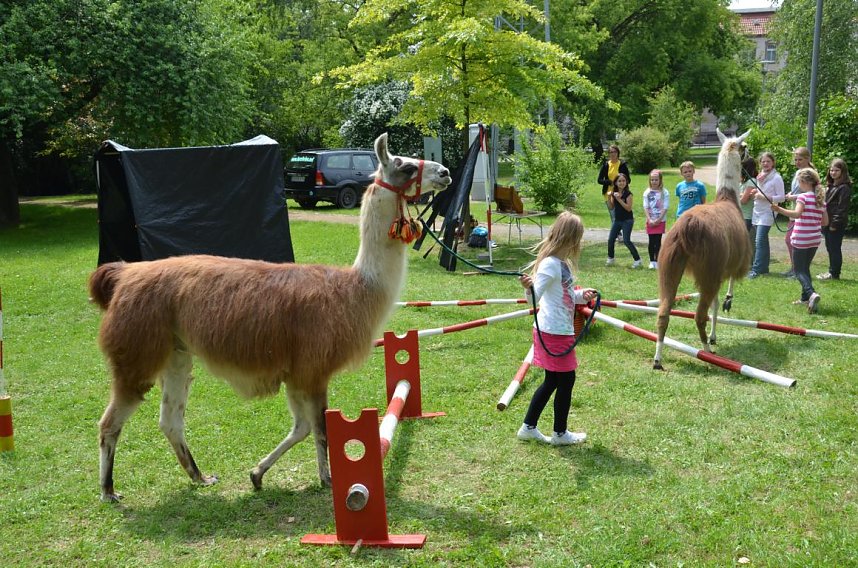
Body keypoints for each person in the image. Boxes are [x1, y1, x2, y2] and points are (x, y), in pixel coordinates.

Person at [517, 212, 597, 445]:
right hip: (553, 331)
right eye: (578, 237)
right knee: (565, 379)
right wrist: (527, 288)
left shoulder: (562, 265)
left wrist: (582, 295)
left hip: (559, 329)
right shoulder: (550, 265)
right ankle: (559, 433)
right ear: (571, 238)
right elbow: (534, 299)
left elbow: (565, 295)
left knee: (555, 380)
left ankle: (529, 427)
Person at [771, 168, 828, 313]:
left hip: (801, 239)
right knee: (805, 268)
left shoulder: (802, 197)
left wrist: (779, 210)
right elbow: (825, 222)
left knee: (798, 270)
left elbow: (796, 214)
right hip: (815, 239)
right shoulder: (820, 200)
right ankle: (805, 299)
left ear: (804, 182)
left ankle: (811, 293)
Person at [747, 152, 785, 279]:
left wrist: (763, 196)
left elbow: (781, 197)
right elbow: (761, 191)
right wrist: (755, 191)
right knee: (763, 241)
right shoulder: (760, 177)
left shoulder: (776, 178)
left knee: (759, 241)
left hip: (768, 212)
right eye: (763, 161)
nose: (765, 164)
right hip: (757, 211)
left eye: (768, 161)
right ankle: (764, 268)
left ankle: (756, 270)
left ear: (773, 163)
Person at [782, 147, 814, 277]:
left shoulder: (810, 173)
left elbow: (810, 192)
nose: (797, 162)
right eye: (795, 160)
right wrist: (791, 194)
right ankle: (795, 268)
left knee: (793, 241)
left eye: (800, 159)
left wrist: (793, 197)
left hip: (803, 211)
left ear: (807, 159)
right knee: (789, 240)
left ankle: (798, 270)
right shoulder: (798, 173)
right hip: (794, 208)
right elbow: (797, 189)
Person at [818, 158, 853, 280]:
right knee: (830, 247)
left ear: (842, 171)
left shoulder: (844, 188)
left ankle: (834, 273)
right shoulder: (831, 185)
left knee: (834, 248)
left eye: (836, 170)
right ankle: (832, 272)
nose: (833, 173)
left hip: (835, 224)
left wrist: (834, 224)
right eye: (831, 170)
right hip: (827, 222)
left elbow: (841, 208)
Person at [606, 173, 643, 268]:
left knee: (626, 241)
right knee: (611, 239)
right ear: (616, 183)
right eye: (619, 181)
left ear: (626, 182)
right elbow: (611, 207)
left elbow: (628, 208)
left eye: (623, 181)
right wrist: (609, 197)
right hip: (617, 220)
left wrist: (619, 199)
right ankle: (611, 258)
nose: (622, 183)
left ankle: (637, 260)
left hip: (627, 221)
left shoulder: (628, 194)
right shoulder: (614, 193)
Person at [642, 169, 669, 269]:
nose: (654, 182)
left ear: (660, 180)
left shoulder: (664, 192)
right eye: (652, 180)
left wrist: (659, 219)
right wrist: (649, 219)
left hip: (660, 221)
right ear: (650, 181)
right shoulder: (647, 192)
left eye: (656, 180)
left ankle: (657, 260)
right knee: (651, 242)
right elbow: (645, 206)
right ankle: (651, 261)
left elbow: (665, 207)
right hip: (650, 220)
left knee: (658, 241)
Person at [597, 145, 631, 225]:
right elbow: (599, 180)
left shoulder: (622, 165)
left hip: (621, 193)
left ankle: (620, 231)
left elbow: (628, 180)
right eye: (611, 152)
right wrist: (609, 182)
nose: (613, 154)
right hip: (609, 193)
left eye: (614, 152)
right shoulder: (606, 165)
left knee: (620, 214)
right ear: (608, 154)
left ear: (618, 153)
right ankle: (617, 233)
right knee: (613, 214)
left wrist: (620, 183)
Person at [739, 157, 758, 238]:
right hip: (740, 215)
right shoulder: (743, 182)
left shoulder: (751, 181)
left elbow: (744, 200)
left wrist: (735, 196)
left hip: (746, 217)